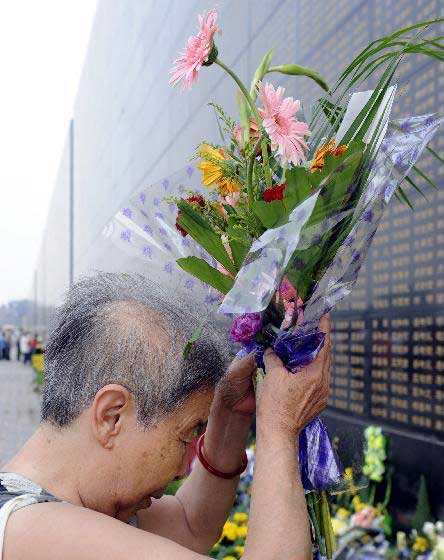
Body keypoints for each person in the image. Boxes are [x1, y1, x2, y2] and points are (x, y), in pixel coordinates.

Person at [0, 272, 331, 560]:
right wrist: (279, 427)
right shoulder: (32, 532)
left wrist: (230, 415)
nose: (182, 467)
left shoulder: (58, 510)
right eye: (186, 435)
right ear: (112, 416)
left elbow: (191, 524)